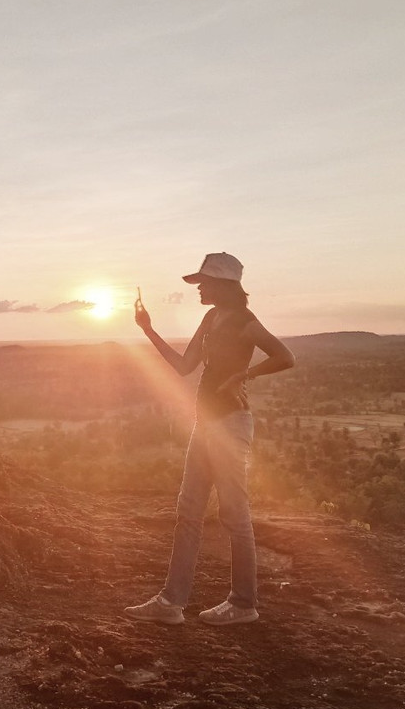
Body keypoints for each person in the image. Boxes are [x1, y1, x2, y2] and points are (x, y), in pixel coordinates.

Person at [125, 252, 296, 626]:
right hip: (206, 425)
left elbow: (285, 357)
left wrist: (245, 375)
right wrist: (147, 329)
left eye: (204, 281)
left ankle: (243, 604)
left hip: (231, 424)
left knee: (234, 515)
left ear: (225, 285)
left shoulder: (245, 322)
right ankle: (171, 603)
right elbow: (185, 367)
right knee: (188, 512)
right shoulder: (210, 317)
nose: (199, 287)